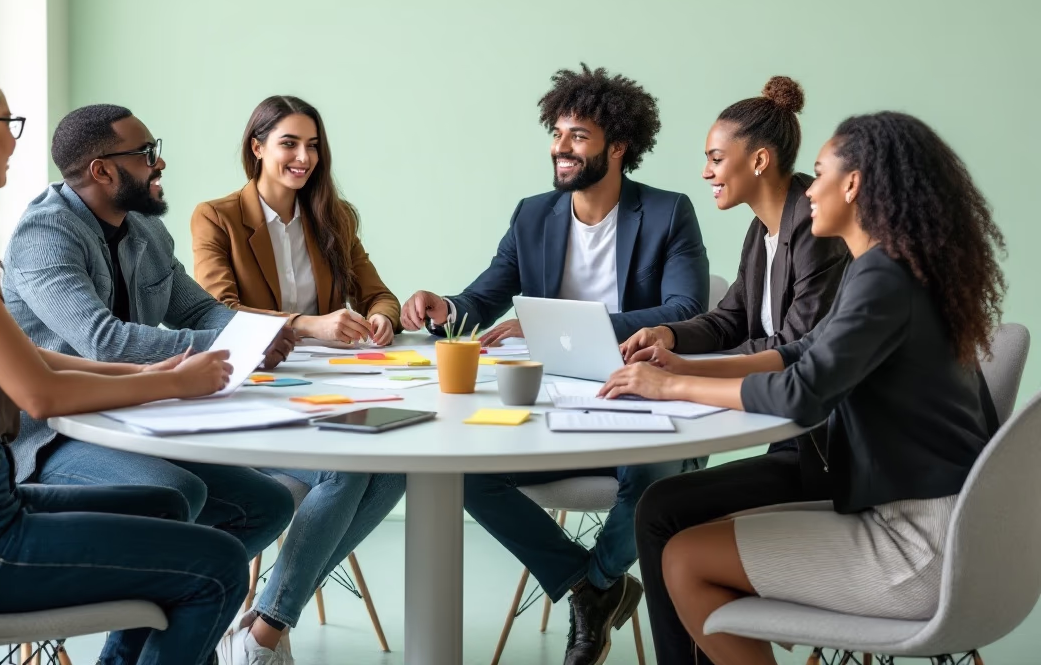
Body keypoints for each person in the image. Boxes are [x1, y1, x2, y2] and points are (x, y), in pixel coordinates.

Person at [0, 24, 248, 665]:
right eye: (11, 124)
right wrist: (171, 382)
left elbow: (21, 358)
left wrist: (151, 372)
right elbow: (35, 390)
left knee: (171, 504)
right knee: (219, 565)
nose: (13, 141)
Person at [607, 112, 1004, 665]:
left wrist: (674, 387)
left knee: (684, 559)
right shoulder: (891, 268)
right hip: (942, 528)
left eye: (819, 174)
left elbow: (800, 393)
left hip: (917, 549)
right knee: (680, 540)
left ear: (854, 184)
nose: (809, 188)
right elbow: (799, 353)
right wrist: (678, 369)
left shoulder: (882, 278)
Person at [402, 64, 710, 665]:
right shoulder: (533, 214)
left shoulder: (669, 212)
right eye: (558, 133)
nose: (560, 148)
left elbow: (686, 308)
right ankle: (589, 586)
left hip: (636, 390)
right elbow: (483, 296)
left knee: (655, 477)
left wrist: (562, 322)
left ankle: (592, 590)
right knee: (460, 474)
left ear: (617, 146)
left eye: (577, 136)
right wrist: (445, 306)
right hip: (550, 402)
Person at [1, 103, 296, 565]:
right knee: (176, 492)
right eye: (145, 153)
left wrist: (254, 333)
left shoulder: (146, 229)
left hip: (137, 414)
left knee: (268, 505)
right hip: (52, 435)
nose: (159, 162)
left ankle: (183, 618)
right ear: (102, 171)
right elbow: (103, 342)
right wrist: (238, 346)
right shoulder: (44, 236)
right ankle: (169, 618)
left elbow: (196, 310)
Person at [190, 95, 406, 665]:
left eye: (312, 145)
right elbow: (218, 312)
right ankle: (268, 630)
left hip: (332, 391)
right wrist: (310, 325)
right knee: (348, 462)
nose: (303, 157)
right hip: (254, 396)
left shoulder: (335, 216)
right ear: (257, 148)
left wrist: (382, 316)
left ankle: (263, 624)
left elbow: (378, 291)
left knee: (398, 466)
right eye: (289, 143)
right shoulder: (215, 217)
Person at [620, 76, 847, 362]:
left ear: (759, 161)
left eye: (716, 159)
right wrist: (667, 335)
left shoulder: (814, 225)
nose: (706, 172)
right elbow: (729, 320)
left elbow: (796, 343)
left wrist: (695, 369)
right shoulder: (761, 230)